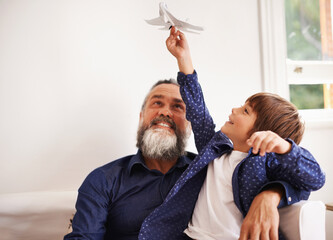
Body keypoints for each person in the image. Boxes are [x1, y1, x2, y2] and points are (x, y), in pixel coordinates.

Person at [64, 31, 304, 240]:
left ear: (190, 125)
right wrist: (184, 60)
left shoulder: (205, 168)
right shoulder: (103, 180)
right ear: (141, 117)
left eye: (178, 106)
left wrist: (271, 194)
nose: (164, 112)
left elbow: (302, 180)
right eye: (156, 103)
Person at [138, 27, 325, 240]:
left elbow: (315, 178)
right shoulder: (214, 148)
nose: (235, 109)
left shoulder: (265, 162)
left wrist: (284, 147)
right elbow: (197, 109)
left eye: (246, 111)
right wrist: (184, 58)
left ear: (263, 132)